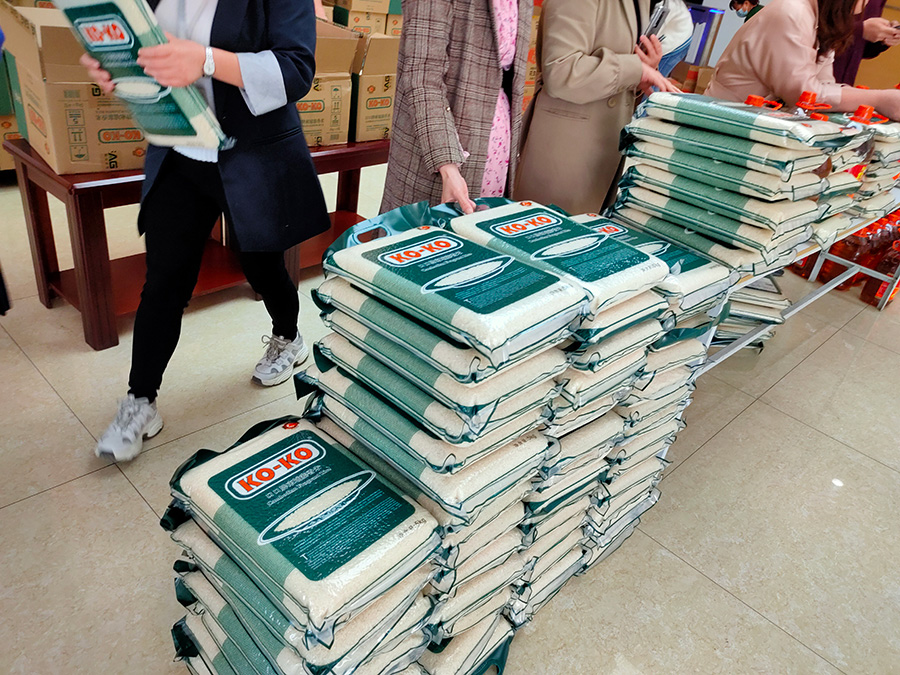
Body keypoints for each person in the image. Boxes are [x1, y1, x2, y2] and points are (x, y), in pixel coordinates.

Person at [81, 0, 330, 462]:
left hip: (251, 153)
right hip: (179, 150)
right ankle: (141, 400)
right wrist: (118, 68)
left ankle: (288, 336)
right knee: (164, 280)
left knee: (261, 266)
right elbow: (146, 49)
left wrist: (207, 60)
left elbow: (296, 70)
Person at [514, 0, 680, 216]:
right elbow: (561, 71)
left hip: (606, 150)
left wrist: (642, 72)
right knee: (544, 230)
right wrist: (635, 69)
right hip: (567, 151)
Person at [381, 0, 533, 215]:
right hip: (441, 141)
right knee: (430, 232)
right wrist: (447, 164)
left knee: (483, 229)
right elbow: (422, 76)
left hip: (499, 141)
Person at [706, 0, 900, 118]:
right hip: (725, 121)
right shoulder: (793, 12)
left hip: (755, 121)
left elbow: (825, 84)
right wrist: (878, 99)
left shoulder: (822, 19)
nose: (867, 5)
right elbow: (803, 94)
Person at [832, 0, 900, 85]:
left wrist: (884, 37)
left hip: (842, 84)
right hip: (819, 77)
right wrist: (861, 30)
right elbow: (820, 34)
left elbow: (861, 49)